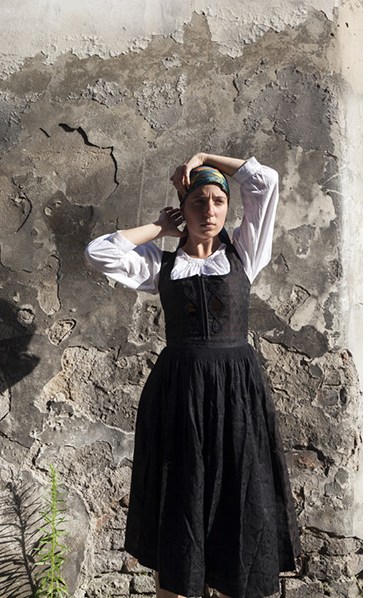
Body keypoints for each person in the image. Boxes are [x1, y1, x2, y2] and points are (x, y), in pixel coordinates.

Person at [85, 153, 300, 598]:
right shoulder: (159, 264)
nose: (210, 210)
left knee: (238, 498)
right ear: (183, 208)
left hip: (237, 394)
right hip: (179, 395)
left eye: (218, 201)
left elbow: (264, 182)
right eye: (199, 202)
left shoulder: (245, 252)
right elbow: (100, 251)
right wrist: (160, 230)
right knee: (181, 498)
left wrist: (204, 158)